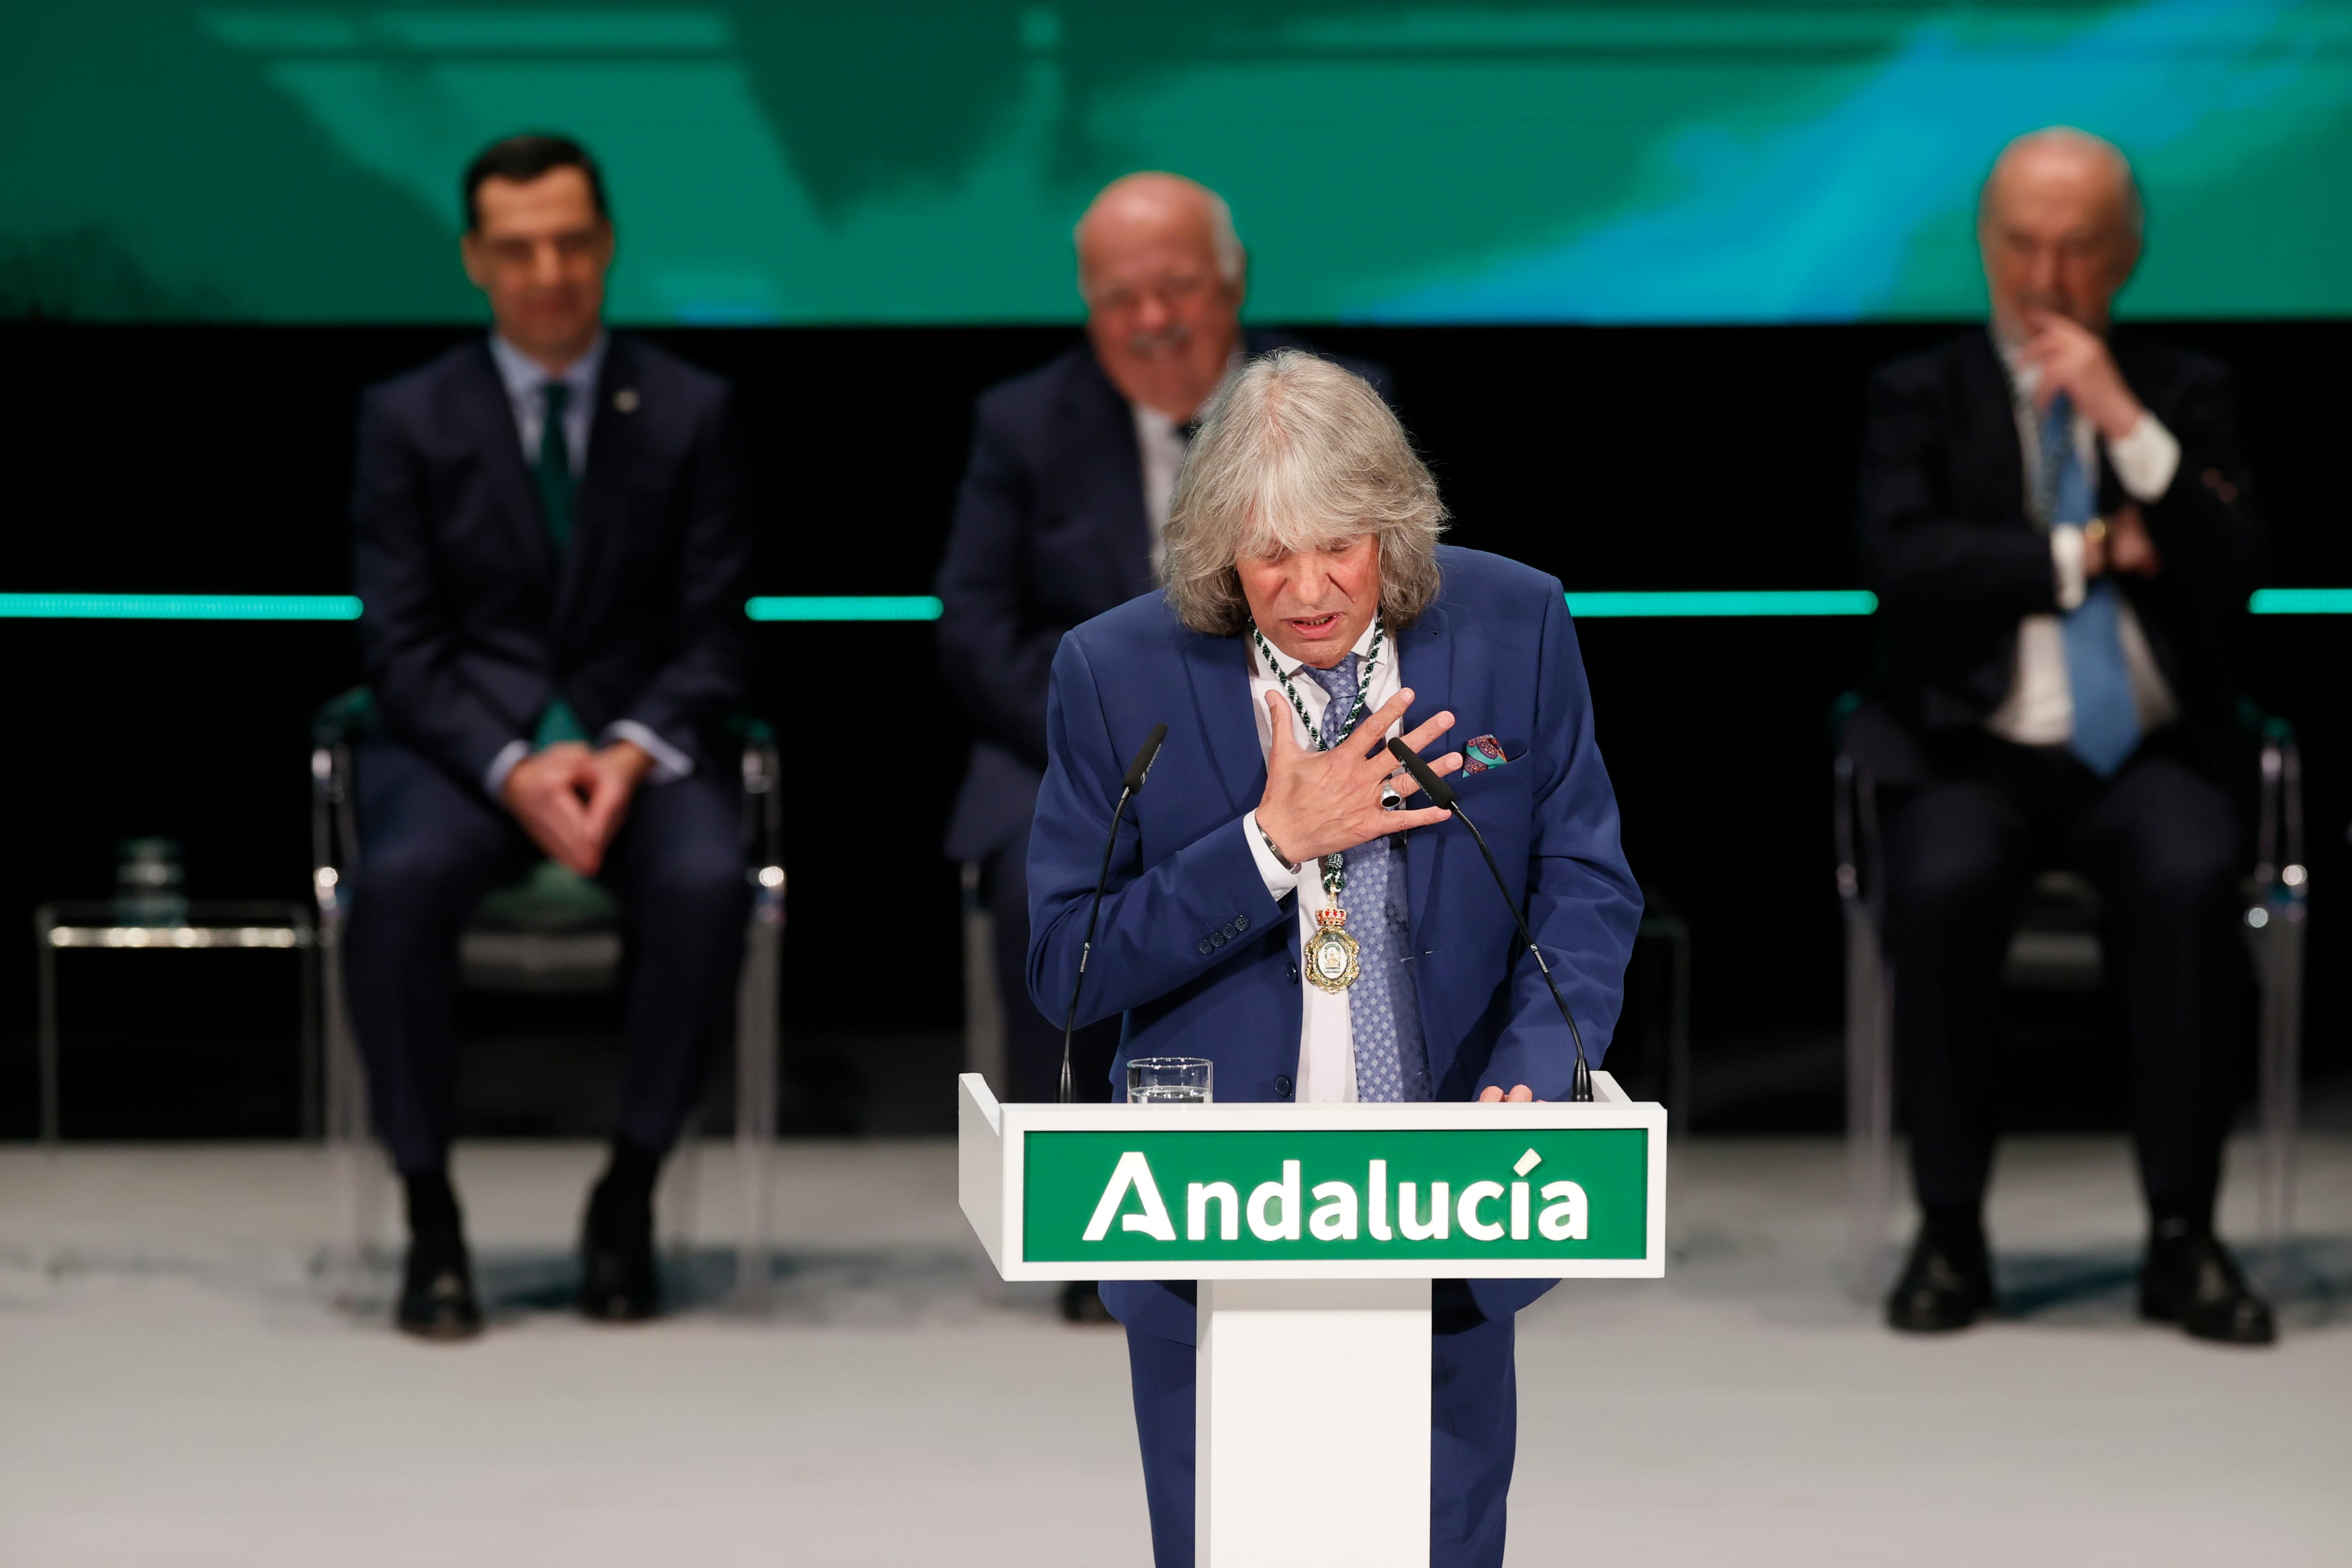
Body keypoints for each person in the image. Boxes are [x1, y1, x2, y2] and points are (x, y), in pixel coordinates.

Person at [1026, 351, 1642, 1566]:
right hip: (1207, 1213)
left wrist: (1535, 1068)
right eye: (1268, 556)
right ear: (1216, 554)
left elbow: (1582, 880)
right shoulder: (1116, 672)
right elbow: (1066, 962)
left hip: (1451, 1193)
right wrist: (1269, 845)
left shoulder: (1517, 624)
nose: (1309, 591)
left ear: (1395, 532)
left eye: (1340, 549)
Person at [934, 172, 1386, 1321]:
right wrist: (1118, 736)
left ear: (1232, 283)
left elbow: (1398, 603)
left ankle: (1353, 1173)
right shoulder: (1022, 424)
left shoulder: (1333, 405)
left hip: (1309, 739)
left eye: (1177, 287)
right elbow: (978, 630)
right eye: (1119, 297)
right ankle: (1103, 1203)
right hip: (1075, 756)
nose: (1152, 321)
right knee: (1048, 882)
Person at [1857, 128, 2272, 1344]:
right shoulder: (1917, 394)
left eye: (2077, 245)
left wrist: (2125, 423)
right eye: (2023, 243)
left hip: (2145, 754)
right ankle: (1950, 1232)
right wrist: (2085, 551)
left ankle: (2184, 1238)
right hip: (1972, 749)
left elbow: (2236, 565)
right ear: (1985, 247)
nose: (2046, 272)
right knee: (1933, 888)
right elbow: (1903, 563)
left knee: (2195, 879)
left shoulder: (2187, 394)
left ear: (2128, 253)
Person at [347, 134, 754, 1340]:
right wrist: (516, 766)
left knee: (705, 881)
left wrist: (626, 750)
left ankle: (626, 1199)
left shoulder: (694, 411)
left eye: (572, 241)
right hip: (468, 750)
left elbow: (718, 632)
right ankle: (430, 1215)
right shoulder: (407, 418)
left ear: (608, 244)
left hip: (642, 743)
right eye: (519, 248)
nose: (549, 270)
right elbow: (401, 646)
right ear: (477, 260)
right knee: (398, 883)